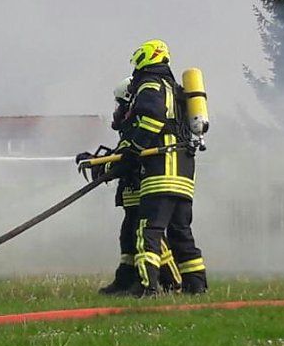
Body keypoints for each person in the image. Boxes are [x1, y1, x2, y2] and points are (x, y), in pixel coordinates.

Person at [115, 39, 208, 296]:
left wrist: (134, 148)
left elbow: (152, 118)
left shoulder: (150, 84)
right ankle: (196, 286)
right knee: (181, 232)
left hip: (161, 170)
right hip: (184, 171)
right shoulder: (175, 89)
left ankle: (148, 287)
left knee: (148, 229)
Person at [84, 77, 182, 295]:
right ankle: (126, 279)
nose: (118, 110)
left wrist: (104, 164)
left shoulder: (139, 126)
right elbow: (121, 155)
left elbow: (128, 157)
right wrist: (96, 161)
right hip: (132, 191)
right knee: (128, 236)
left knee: (148, 236)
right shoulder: (131, 127)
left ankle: (171, 280)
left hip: (143, 186)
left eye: (120, 104)